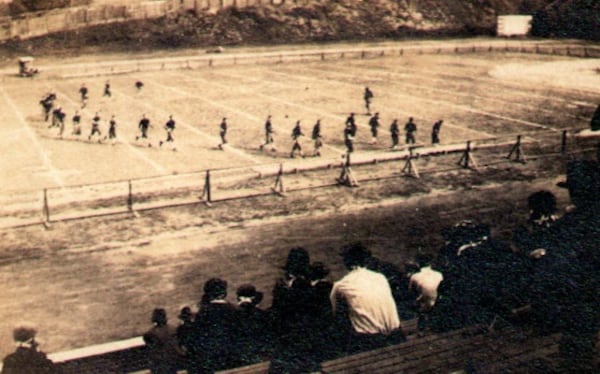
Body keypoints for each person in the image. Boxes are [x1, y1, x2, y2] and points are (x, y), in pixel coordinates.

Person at [330, 242, 405, 355]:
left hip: (370, 341)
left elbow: (335, 313)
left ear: (346, 262)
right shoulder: (380, 277)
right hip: (397, 335)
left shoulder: (341, 285)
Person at [269, 248, 322, 373]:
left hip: (290, 345)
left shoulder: (285, 290)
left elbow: (276, 317)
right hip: (309, 344)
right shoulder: (311, 288)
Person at [191, 278, 238, 373]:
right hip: (233, 358)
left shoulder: (203, 312)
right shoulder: (234, 310)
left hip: (212, 361)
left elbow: (198, 338)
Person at [234, 284, 271, 367]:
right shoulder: (262, 314)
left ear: (239, 298)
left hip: (240, 357)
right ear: (253, 297)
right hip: (260, 355)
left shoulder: (232, 315)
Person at [408, 254, 444, 332]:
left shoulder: (414, 276)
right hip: (439, 302)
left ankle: (421, 328)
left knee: (418, 299)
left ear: (417, 264)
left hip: (426, 305)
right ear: (430, 263)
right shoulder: (439, 274)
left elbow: (411, 292)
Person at [143, 308, 183, 374]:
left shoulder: (151, 333)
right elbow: (176, 346)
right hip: (170, 361)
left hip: (159, 363)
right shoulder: (172, 329)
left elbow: (152, 350)